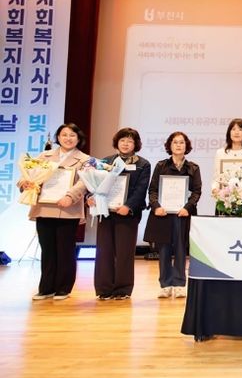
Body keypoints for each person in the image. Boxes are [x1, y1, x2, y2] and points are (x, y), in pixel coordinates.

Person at [18, 123, 89, 301]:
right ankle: (46, 288)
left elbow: (85, 182)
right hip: (45, 207)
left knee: (65, 249)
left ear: (78, 139)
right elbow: (30, 173)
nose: (68, 138)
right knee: (47, 249)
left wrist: (70, 196)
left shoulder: (85, 159)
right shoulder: (45, 155)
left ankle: (63, 288)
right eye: (64, 135)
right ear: (58, 137)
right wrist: (24, 183)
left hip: (68, 209)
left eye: (72, 135)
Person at [90, 127, 151, 300]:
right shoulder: (106, 161)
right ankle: (104, 289)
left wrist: (128, 206)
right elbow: (95, 185)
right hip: (106, 212)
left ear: (136, 144)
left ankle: (122, 289)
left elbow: (141, 189)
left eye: (130, 141)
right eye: (122, 140)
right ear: (117, 142)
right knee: (104, 251)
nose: (125, 144)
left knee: (124, 252)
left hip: (128, 214)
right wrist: (91, 197)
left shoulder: (143, 164)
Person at [143, 131, 202, 299]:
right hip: (163, 214)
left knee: (181, 249)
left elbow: (196, 192)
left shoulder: (193, 168)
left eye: (182, 142)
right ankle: (165, 284)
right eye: (175, 142)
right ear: (170, 145)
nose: (178, 145)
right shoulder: (161, 166)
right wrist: (156, 206)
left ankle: (179, 283)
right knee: (164, 250)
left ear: (186, 146)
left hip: (182, 214)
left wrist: (187, 207)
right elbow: (153, 190)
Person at [212, 118, 242, 194]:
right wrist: (215, 189)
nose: (236, 132)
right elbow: (216, 177)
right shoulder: (220, 153)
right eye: (233, 129)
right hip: (223, 197)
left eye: (240, 129)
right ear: (229, 133)